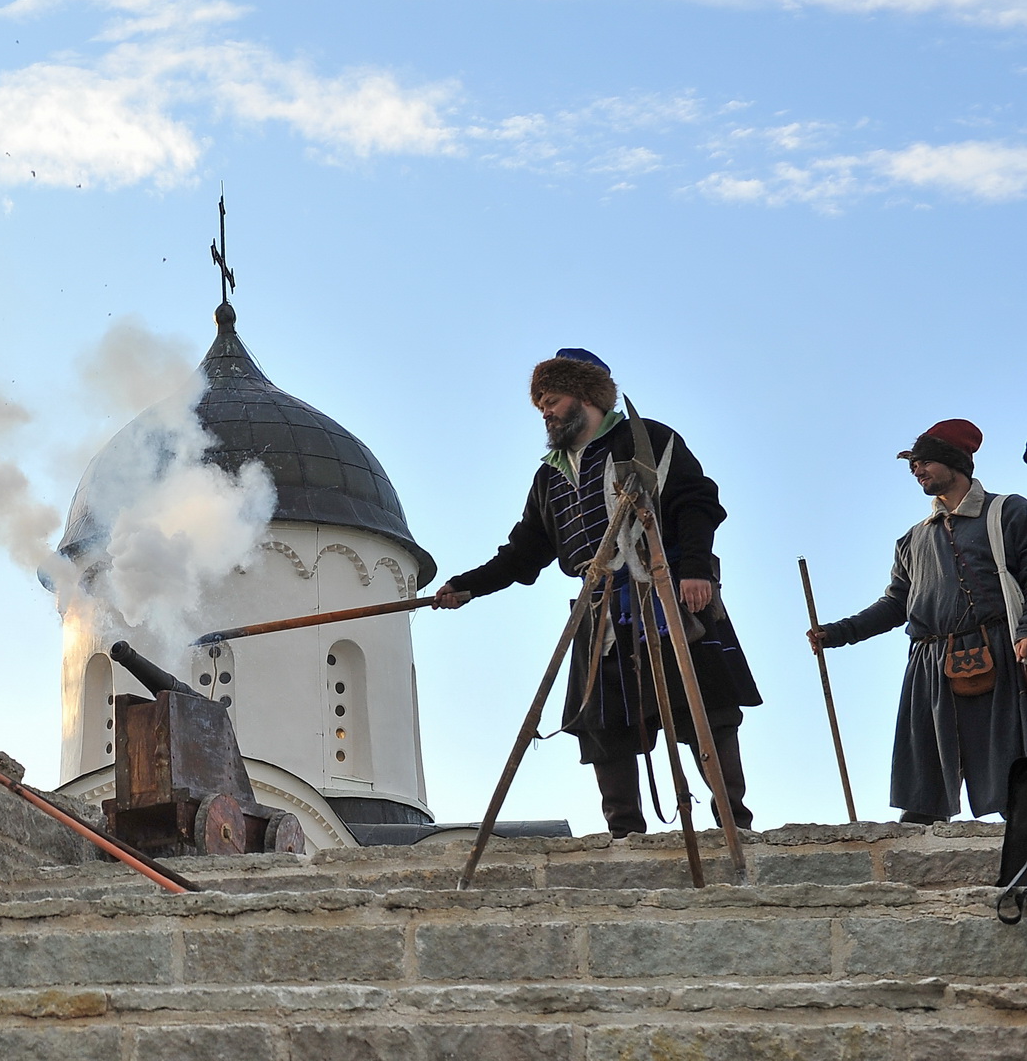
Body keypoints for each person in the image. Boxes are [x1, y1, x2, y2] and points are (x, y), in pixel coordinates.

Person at [432, 349, 760, 838]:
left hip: (664, 589)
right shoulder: (549, 476)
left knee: (704, 708)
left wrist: (694, 570)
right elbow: (524, 552)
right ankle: (625, 835)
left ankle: (734, 825)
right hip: (599, 607)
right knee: (601, 723)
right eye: (540, 401)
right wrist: (466, 586)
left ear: (586, 395)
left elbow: (696, 502)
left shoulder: (644, 438)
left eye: (553, 398)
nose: (544, 410)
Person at [809, 420, 1027, 823]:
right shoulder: (912, 540)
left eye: (925, 462)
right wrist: (839, 632)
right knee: (926, 760)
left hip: (1000, 649)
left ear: (953, 462)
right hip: (931, 662)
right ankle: (921, 833)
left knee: (1008, 753)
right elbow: (896, 604)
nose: (917, 471)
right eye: (913, 466)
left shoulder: (1008, 512)